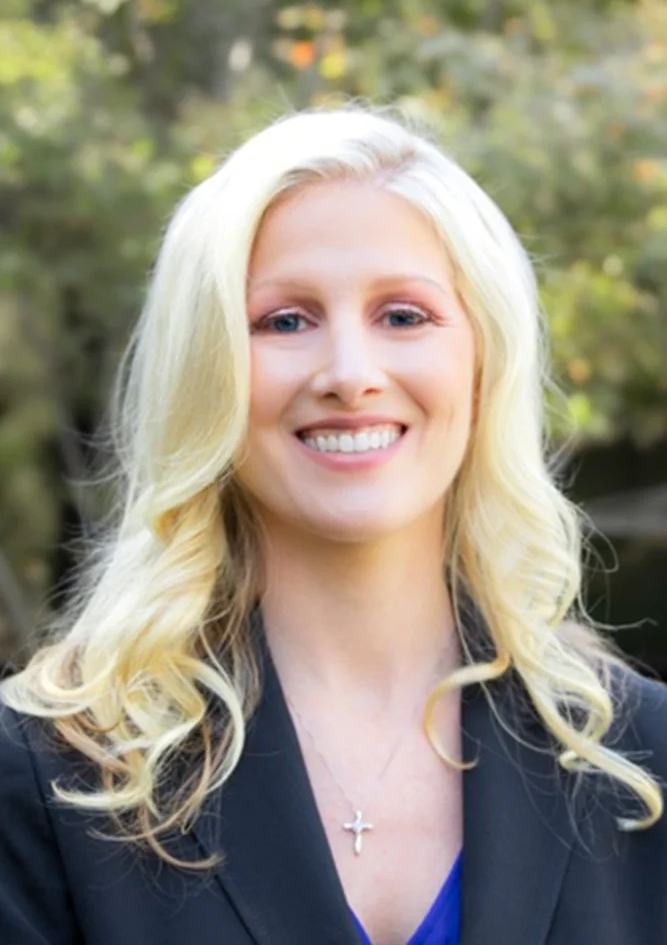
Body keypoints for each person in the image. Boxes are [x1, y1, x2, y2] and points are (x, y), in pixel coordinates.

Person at [0, 106, 666, 945]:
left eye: (403, 316)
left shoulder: (643, 760)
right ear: (205, 372)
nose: (349, 375)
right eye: (285, 321)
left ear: (481, 361)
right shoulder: (46, 775)